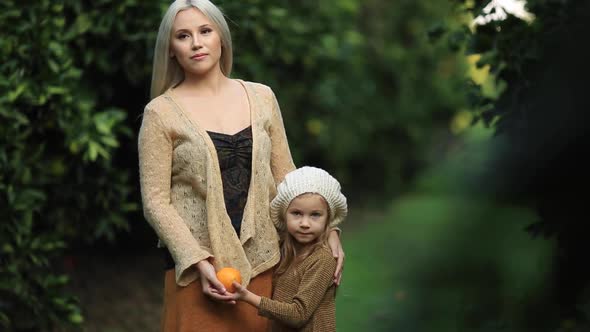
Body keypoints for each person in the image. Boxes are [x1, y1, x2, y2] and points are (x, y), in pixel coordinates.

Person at [137, 1, 344, 331]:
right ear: (171, 50)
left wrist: (329, 229)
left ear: (222, 38)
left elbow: (289, 179)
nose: (196, 43)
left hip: (266, 264)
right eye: (183, 36)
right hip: (200, 276)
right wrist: (197, 262)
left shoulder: (262, 97)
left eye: (205, 31)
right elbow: (156, 203)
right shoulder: (160, 113)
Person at [229, 166, 347, 332]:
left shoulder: (322, 260)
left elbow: (298, 314)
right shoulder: (282, 249)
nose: (305, 224)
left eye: (315, 215)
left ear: (328, 219)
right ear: (284, 215)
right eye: (296, 213)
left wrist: (247, 297)